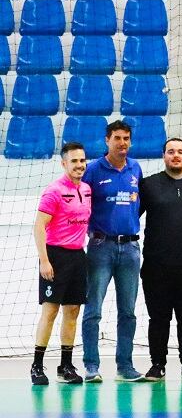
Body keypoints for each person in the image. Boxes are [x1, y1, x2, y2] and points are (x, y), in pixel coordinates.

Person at [138, 137, 182, 382]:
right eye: (171, 152)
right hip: (156, 266)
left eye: (180, 152)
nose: (175, 155)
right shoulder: (148, 185)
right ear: (163, 155)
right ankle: (157, 364)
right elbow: (129, 216)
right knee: (158, 318)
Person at [81, 120, 144, 382]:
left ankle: (125, 366)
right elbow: (81, 205)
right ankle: (91, 366)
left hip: (130, 248)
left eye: (126, 138)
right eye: (117, 138)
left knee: (127, 311)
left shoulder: (135, 168)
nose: (122, 143)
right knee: (93, 309)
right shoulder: (93, 170)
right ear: (106, 140)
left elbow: (136, 206)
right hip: (100, 247)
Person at [31, 142, 92, 385]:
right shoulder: (54, 190)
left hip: (78, 256)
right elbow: (38, 226)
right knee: (50, 310)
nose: (79, 165)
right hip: (55, 257)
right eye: (74, 161)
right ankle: (37, 366)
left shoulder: (87, 189)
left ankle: (65, 366)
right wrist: (44, 261)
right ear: (64, 163)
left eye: (82, 160)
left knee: (73, 311)